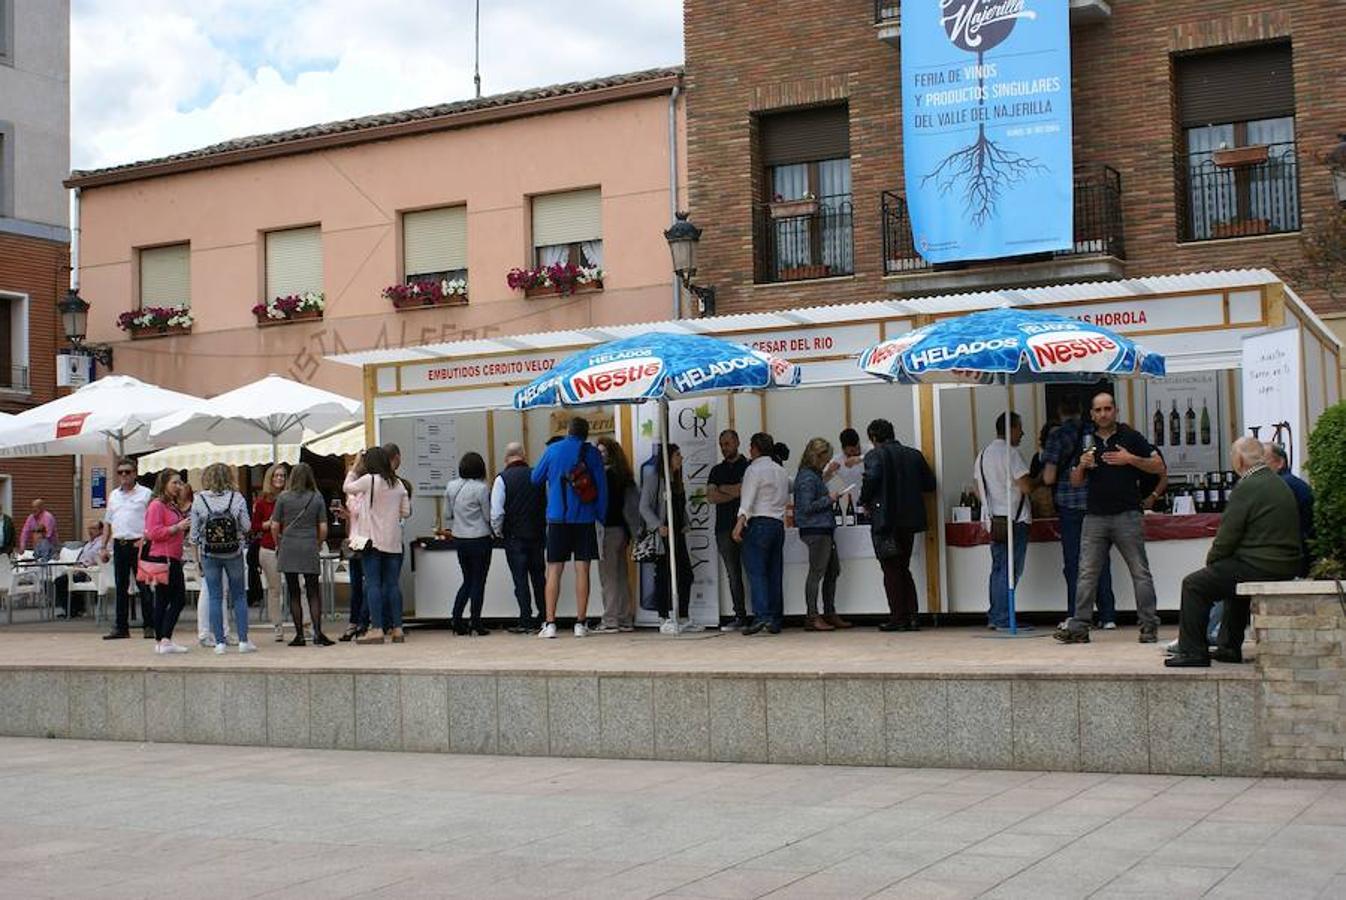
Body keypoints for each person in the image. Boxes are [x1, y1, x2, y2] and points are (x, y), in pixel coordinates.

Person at [1166, 438, 1302, 667]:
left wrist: (1212, 561)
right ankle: (1228, 647)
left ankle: (1193, 652)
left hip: (1261, 564)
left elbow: (1228, 535)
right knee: (1231, 578)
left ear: (1238, 460)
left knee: (1194, 585)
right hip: (1284, 563)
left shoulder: (1248, 486)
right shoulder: (1276, 482)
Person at [1055, 391, 1166, 645]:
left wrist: (1130, 459)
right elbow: (1075, 481)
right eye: (1098, 410)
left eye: (1107, 409)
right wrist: (1082, 465)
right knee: (1086, 573)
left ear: (1116, 410)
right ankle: (1079, 627)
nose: (1103, 414)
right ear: (1092, 414)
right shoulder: (1086, 439)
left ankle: (1149, 626)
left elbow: (1159, 466)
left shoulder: (1130, 436)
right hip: (1095, 516)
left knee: (1139, 572)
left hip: (1127, 514)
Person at [1041, 396, 1116, 628]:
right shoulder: (1094, 433)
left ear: (1060, 411)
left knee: (1074, 562)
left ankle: (1077, 615)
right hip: (1096, 503)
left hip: (1069, 505)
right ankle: (1108, 616)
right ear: (1084, 410)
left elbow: (1049, 477)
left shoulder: (1056, 436)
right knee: (1100, 560)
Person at [531, 417, 607, 639]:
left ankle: (550, 623)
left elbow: (535, 478)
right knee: (582, 570)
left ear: (568, 431)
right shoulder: (592, 454)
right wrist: (600, 515)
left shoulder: (553, 450)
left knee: (554, 570)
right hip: (584, 518)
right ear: (586, 434)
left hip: (558, 518)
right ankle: (580, 623)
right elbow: (602, 488)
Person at [861, 418, 936, 632]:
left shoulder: (874, 455)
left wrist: (864, 500)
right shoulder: (914, 455)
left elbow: (871, 479)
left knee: (891, 569)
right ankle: (912, 616)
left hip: (886, 521)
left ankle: (898, 617)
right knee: (903, 567)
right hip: (909, 520)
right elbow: (929, 484)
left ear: (873, 437)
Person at [344, 447, 410, 644]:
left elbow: (347, 488)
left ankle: (377, 629)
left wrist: (354, 468)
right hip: (393, 542)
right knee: (392, 585)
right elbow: (405, 512)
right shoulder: (398, 483)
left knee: (373, 584)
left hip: (372, 542)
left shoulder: (369, 480)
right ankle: (397, 629)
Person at [975, 413, 1034, 631]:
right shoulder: (1011, 453)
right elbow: (1026, 486)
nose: (1022, 433)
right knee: (1010, 570)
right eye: (1020, 428)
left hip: (994, 520)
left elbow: (977, 488)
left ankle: (995, 615)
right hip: (1015, 519)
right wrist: (1038, 481)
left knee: (998, 568)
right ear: (1012, 428)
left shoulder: (982, 455)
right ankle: (1003, 618)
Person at [192, 462, 254, 654]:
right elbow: (247, 526)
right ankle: (243, 641)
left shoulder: (199, 500)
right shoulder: (237, 498)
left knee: (215, 597)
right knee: (239, 596)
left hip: (209, 553)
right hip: (234, 552)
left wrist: (197, 561)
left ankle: (219, 642)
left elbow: (194, 535)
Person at [641, 443, 701, 634]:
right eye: (677, 455)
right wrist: (657, 526)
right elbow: (644, 506)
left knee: (685, 574)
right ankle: (663, 617)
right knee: (664, 575)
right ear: (668, 458)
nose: (680, 458)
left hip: (678, 534)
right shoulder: (655, 479)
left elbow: (679, 506)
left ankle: (682, 616)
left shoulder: (677, 480)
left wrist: (685, 523)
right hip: (664, 535)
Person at [270, 462, 332, 647]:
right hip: (309, 545)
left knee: (294, 592)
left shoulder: (283, 497)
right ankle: (318, 633)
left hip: (289, 545)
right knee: (313, 592)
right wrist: (318, 543)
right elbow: (323, 527)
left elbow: (274, 525)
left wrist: (278, 543)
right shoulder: (317, 497)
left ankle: (299, 635)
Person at [734, 432, 788, 635]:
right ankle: (775, 619)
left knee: (756, 572)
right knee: (775, 572)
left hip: (758, 522)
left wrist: (739, 523)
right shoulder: (780, 471)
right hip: (777, 523)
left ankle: (761, 616)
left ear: (755, 448)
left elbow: (747, 499)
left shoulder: (753, 469)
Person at [490, 442, 547, 634]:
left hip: (514, 536)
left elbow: (497, 512)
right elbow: (545, 504)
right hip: (537, 534)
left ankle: (525, 619)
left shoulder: (502, 479)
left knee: (520, 580)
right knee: (539, 578)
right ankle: (545, 617)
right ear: (524, 455)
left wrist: (498, 532)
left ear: (506, 458)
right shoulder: (537, 475)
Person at [795, 437, 844, 632]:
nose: (826, 462)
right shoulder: (807, 477)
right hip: (816, 530)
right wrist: (829, 499)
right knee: (817, 573)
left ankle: (828, 612)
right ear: (818, 456)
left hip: (823, 528)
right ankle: (813, 615)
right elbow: (805, 507)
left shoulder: (812, 475)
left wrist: (828, 477)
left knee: (832, 570)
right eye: (826, 459)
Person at [103, 460, 154, 640]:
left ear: (135, 473)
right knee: (121, 587)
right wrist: (103, 546)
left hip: (139, 543)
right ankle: (121, 627)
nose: (123, 475)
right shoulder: (113, 495)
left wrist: (145, 538)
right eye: (120, 472)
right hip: (120, 543)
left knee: (144, 586)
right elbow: (108, 522)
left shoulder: (146, 493)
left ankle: (149, 625)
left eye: (127, 471)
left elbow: (152, 520)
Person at [444, 452, 493, 636]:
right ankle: (475, 622)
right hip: (480, 538)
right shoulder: (481, 488)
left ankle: (456, 618)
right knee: (479, 581)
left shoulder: (451, 486)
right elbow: (488, 516)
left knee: (467, 579)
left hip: (460, 538)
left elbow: (447, 514)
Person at [144, 469, 192, 655]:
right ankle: (164, 638)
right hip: (163, 557)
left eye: (180, 483)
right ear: (164, 484)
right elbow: (153, 532)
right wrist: (177, 527)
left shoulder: (171, 505)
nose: (178, 486)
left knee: (164, 599)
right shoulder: (157, 505)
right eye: (175, 483)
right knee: (176, 599)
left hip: (173, 556)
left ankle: (162, 640)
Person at [594, 436, 640, 633]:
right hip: (623, 530)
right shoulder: (624, 476)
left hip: (608, 529)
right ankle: (625, 617)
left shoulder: (603, 477)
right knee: (621, 574)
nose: (599, 455)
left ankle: (610, 619)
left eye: (602, 452)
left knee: (608, 576)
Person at [707, 429, 750, 631]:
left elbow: (747, 490)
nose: (724, 448)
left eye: (727, 443)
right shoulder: (716, 470)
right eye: (721, 445)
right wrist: (736, 492)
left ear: (737, 442)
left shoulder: (748, 466)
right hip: (723, 529)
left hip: (747, 526)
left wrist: (723, 488)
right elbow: (711, 497)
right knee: (733, 574)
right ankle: (740, 615)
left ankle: (761, 614)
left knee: (754, 571)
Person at [252, 462, 288, 641]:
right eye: (276, 475)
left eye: (282, 475)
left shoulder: (290, 498)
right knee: (274, 588)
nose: (280, 478)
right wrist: (269, 523)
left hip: (289, 547)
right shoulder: (262, 502)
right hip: (268, 547)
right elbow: (254, 526)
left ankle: (306, 625)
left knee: (300, 586)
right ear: (270, 478)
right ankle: (277, 626)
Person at [1267, 443, 1314, 576]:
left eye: (1263, 462)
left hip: (1293, 557)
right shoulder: (1292, 482)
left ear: (1280, 463)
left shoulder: (1281, 486)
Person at [338, 455, 370, 641]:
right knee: (357, 586)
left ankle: (361, 622)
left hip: (365, 542)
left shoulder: (363, 492)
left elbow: (357, 509)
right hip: (355, 542)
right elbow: (352, 523)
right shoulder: (355, 495)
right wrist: (347, 517)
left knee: (364, 586)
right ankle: (355, 622)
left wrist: (353, 471)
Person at [54, 522, 107, 618]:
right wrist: (76, 567)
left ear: (100, 530)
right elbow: (81, 559)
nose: (90, 531)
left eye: (93, 528)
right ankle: (75, 609)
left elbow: (100, 561)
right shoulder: (88, 544)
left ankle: (73, 610)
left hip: (91, 572)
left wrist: (83, 568)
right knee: (62, 580)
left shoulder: (102, 543)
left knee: (61, 581)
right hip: (80, 569)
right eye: (89, 528)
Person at [823, 428, 866, 508]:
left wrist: (860, 458)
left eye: (858, 448)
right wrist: (829, 471)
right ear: (843, 449)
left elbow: (880, 456)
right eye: (852, 451)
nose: (856, 452)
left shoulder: (869, 451)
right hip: (854, 502)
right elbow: (822, 480)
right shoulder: (838, 460)